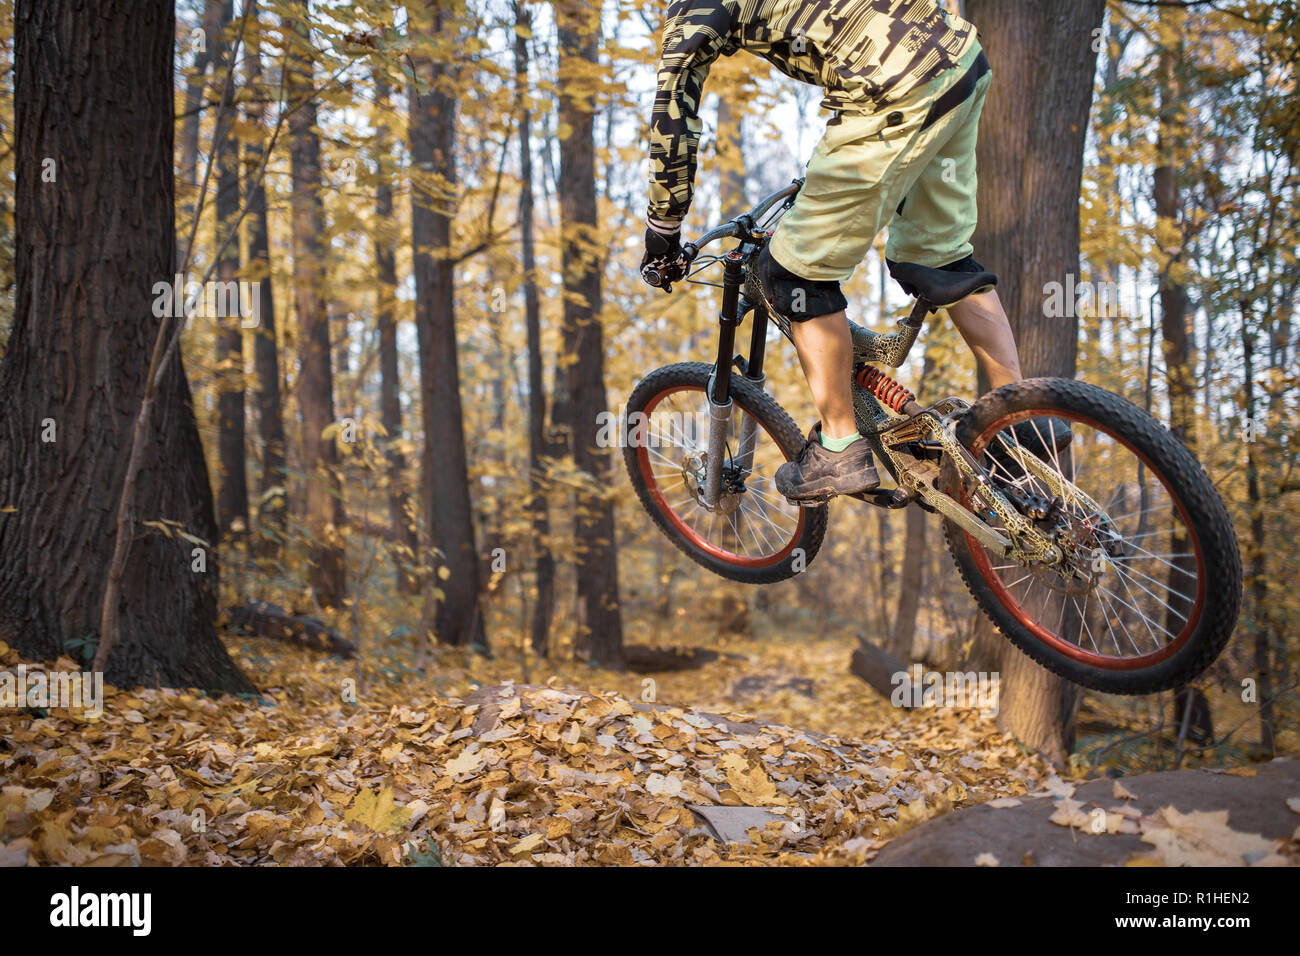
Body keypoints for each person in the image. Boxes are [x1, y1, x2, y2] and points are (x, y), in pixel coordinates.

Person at [641, 0, 1069, 503]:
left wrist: (662, 230)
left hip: (889, 89)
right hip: (957, 58)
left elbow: (674, 120)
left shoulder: (695, 9)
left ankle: (839, 446)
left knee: (793, 269)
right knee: (939, 252)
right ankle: (1017, 418)